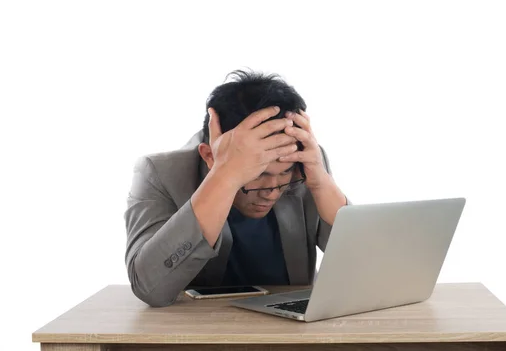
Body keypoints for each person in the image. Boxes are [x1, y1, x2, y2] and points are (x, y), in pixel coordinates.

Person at [124, 70, 349, 307]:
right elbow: (149, 288)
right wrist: (224, 176)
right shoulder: (159, 172)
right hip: (197, 332)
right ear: (208, 154)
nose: (271, 190)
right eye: (258, 173)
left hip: (289, 331)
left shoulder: (304, 162)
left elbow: (365, 264)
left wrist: (320, 182)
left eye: (284, 173)